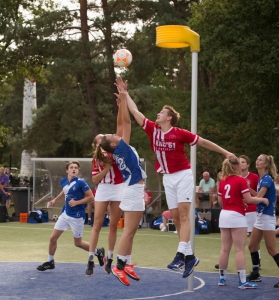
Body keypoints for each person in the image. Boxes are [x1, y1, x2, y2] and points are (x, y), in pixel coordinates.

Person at [116, 76, 236, 279]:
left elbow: (204, 142)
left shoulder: (180, 133)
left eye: (162, 112)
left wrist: (225, 153)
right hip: (167, 177)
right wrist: (125, 94)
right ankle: (190, 257)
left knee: (183, 214)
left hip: (183, 175)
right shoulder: (153, 129)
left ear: (169, 117)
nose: (158, 113)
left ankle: (181, 254)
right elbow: (135, 112)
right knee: (175, 217)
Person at [95, 88, 147, 286]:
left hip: (132, 188)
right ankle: (118, 266)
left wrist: (121, 105)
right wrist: (124, 99)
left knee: (131, 231)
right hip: (133, 190)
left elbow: (120, 122)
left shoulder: (117, 149)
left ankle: (126, 264)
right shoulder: (122, 148)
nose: (114, 134)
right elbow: (125, 123)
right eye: (112, 136)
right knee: (129, 231)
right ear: (114, 143)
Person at [87, 94, 126, 276]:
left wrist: (121, 105)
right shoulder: (97, 158)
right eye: (100, 139)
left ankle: (110, 258)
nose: (103, 140)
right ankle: (90, 259)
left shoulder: (115, 150)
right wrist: (107, 167)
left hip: (117, 188)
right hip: (103, 189)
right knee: (97, 224)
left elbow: (121, 127)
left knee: (113, 225)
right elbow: (95, 180)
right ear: (97, 144)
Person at [217, 158, 268, 289]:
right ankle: (242, 281)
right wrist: (263, 199)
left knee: (224, 249)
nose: (241, 166)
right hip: (236, 215)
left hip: (224, 214)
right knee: (239, 250)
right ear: (235, 167)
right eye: (239, 164)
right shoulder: (240, 180)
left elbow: (220, 200)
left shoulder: (223, 180)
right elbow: (249, 199)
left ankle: (222, 279)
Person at [37, 161, 94, 272]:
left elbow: (91, 197)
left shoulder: (81, 183)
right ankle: (50, 261)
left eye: (76, 168)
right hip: (65, 213)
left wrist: (77, 202)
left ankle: (97, 251)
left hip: (77, 216)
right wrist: (55, 199)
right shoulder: (63, 181)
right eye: (71, 167)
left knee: (78, 243)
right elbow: (65, 191)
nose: (74, 169)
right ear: (67, 170)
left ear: (78, 170)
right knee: (53, 238)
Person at [246, 154, 279, 288]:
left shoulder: (266, 179)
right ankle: (256, 274)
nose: (257, 161)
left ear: (265, 164)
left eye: (260, 160)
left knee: (272, 249)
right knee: (252, 246)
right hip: (260, 216)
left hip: (267, 217)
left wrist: (245, 198)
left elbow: (259, 197)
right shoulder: (261, 179)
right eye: (257, 159)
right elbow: (258, 196)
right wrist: (248, 190)